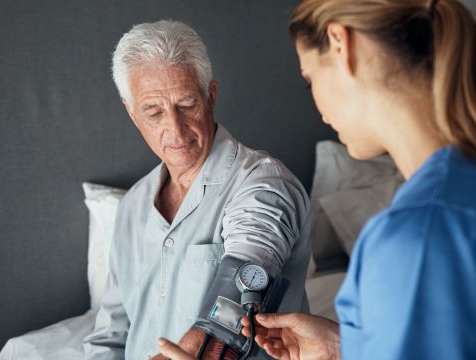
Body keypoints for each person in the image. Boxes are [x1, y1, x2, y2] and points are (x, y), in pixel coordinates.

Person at [157, 0, 476, 359]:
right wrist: (347, 346)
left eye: (309, 80)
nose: (318, 105)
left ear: (342, 45)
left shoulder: (418, 234)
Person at [83, 20, 311, 359]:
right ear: (132, 114)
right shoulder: (132, 206)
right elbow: (112, 332)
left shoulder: (264, 184)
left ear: (211, 95)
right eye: (154, 111)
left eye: (187, 104)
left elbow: (247, 278)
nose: (175, 129)